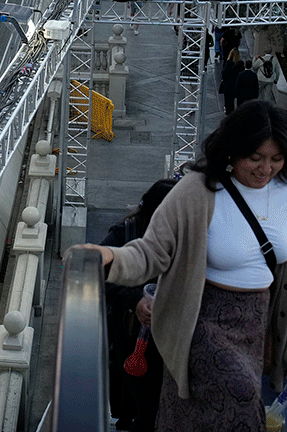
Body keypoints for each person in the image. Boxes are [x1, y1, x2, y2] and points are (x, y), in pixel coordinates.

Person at [71, 101, 287, 431]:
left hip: (256, 325)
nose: (265, 169)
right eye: (254, 158)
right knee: (239, 395)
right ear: (231, 151)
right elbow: (151, 252)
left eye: (276, 159)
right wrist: (110, 257)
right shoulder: (197, 190)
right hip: (200, 318)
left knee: (204, 413)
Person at [103, 179, 177, 432]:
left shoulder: (187, 238)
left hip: (172, 335)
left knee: (158, 403)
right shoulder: (126, 233)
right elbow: (98, 275)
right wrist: (135, 300)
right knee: (141, 399)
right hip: (132, 334)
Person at [220, 49, 242, 115]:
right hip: (236, 84)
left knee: (228, 101)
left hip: (228, 84)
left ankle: (229, 113)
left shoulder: (229, 62)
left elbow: (224, 73)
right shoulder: (240, 64)